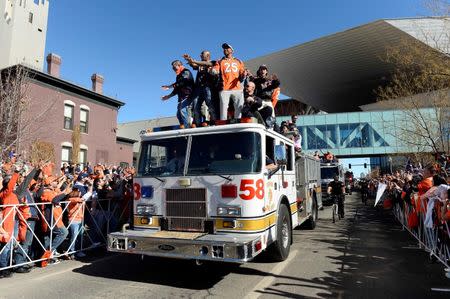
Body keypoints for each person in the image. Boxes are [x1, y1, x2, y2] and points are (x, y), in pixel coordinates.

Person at [183, 51, 218, 126]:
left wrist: (193, 61)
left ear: (208, 55)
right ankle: (198, 123)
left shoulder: (212, 62)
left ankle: (214, 121)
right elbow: (194, 65)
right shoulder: (199, 65)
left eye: (202, 54)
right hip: (198, 88)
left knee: (210, 104)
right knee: (195, 106)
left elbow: (207, 64)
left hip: (207, 87)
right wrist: (189, 59)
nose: (200, 55)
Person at [212, 43, 245, 120]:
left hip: (237, 88)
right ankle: (223, 124)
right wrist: (214, 71)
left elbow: (242, 74)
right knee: (223, 108)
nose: (225, 50)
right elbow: (215, 69)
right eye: (224, 48)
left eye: (227, 48)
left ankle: (238, 123)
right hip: (224, 88)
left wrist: (244, 74)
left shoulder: (239, 61)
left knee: (239, 107)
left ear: (232, 50)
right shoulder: (220, 61)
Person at [162, 60, 195, 128]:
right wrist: (168, 96)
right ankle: (183, 125)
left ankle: (187, 127)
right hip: (181, 97)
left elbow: (182, 82)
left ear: (180, 66)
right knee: (178, 114)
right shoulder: (178, 76)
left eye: (175, 68)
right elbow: (177, 89)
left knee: (183, 111)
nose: (174, 70)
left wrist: (169, 86)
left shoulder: (186, 72)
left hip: (188, 96)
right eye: (173, 69)